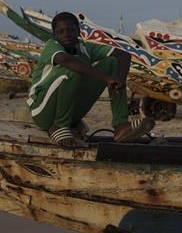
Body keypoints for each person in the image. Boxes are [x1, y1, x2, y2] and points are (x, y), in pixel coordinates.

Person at [27, 12, 154, 146]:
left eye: (71, 30)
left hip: (72, 114)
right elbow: (66, 60)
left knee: (112, 63)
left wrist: (120, 80)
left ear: (78, 31)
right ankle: (59, 126)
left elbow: (123, 55)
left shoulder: (85, 48)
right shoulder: (51, 46)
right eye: (61, 31)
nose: (66, 34)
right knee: (72, 69)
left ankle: (120, 125)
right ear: (54, 35)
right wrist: (105, 78)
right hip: (42, 111)